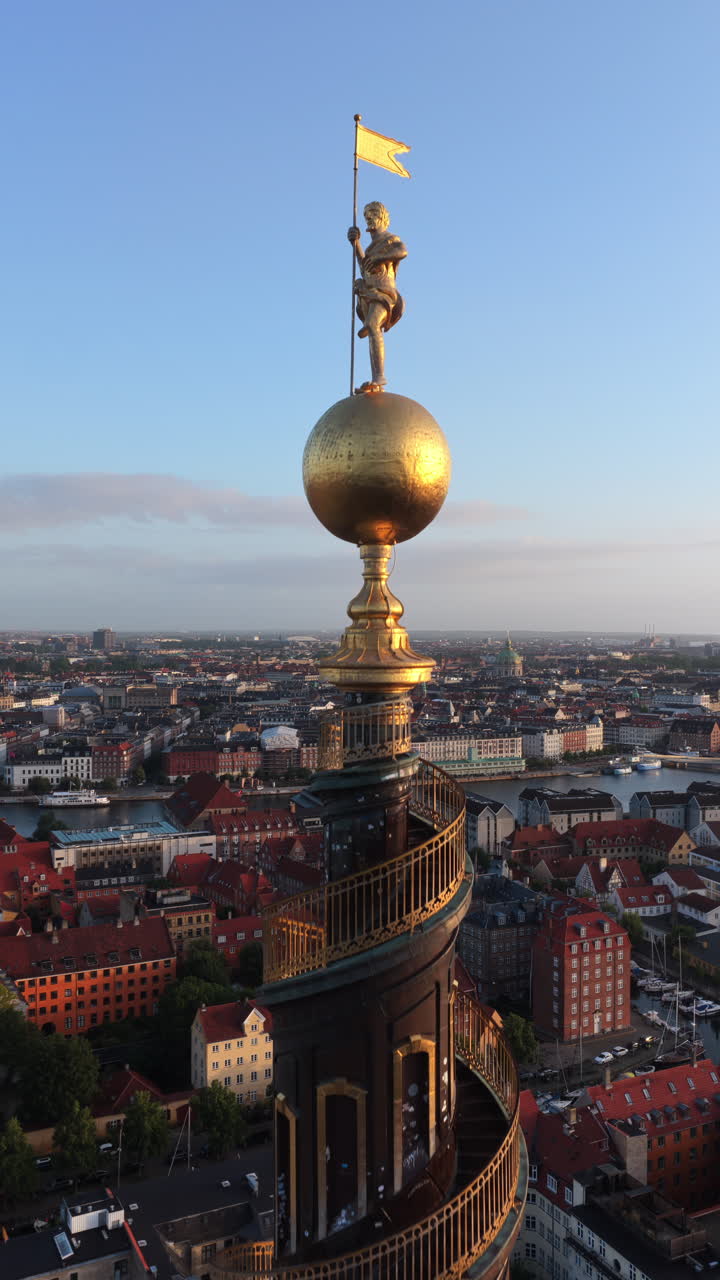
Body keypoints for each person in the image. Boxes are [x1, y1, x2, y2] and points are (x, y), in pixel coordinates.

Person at [348, 202, 407, 390]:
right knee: (373, 329)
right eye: (366, 215)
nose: (369, 217)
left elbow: (402, 250)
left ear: (382, 217)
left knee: (374, 325)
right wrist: (356, 244)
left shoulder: (389, 239)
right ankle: (376, 378)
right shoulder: (372, 247)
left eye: (373, 213)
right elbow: (365, 267)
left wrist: (380, 257)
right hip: (369, 293)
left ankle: (379, 376)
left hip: (384, 293)